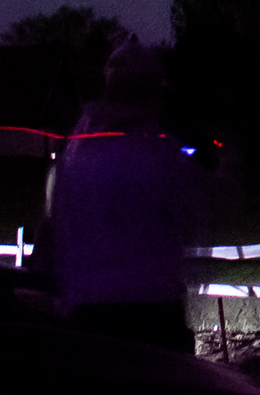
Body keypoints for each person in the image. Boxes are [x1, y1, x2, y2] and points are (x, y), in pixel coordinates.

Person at [36, 47, 218, 346]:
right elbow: (195, 222)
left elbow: (51, 231)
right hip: (151, 315)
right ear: (152, 94)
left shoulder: (74, 155)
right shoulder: (161, 156)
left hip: (83, 317)